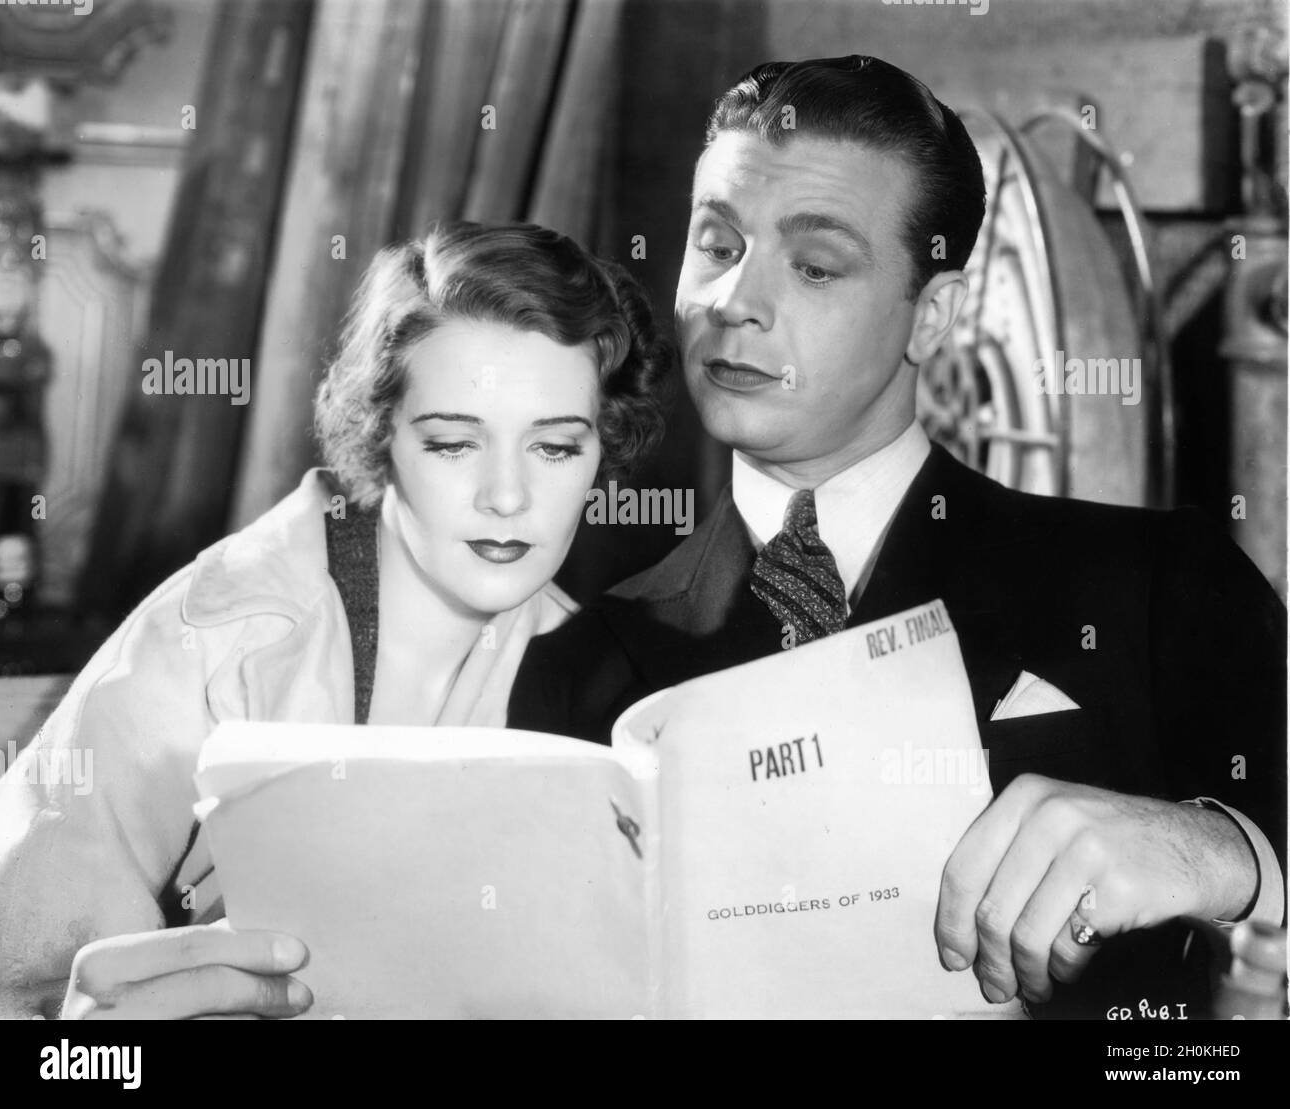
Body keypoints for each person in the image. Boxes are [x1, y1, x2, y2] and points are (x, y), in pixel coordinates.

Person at [507, 56, 1287, 1016]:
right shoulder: (574, 673)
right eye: (716, 244)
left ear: (936, 315)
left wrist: (1225, 853)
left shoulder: (1159, 581)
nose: (732, 301)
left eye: (815, 265)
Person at [0, 220, 671, 1019]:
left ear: (604, 448)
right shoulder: (222, 635)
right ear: (382, 437)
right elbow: (26, 998)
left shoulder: (599, 681)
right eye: (453, 443)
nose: (508, 497)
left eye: (555, 448)